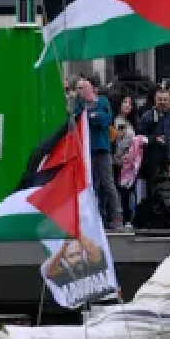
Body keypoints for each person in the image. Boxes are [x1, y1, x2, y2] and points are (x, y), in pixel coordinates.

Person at [71, 78, 123, 230]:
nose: (80, 91)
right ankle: (96, 217)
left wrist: (91, 115)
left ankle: (116, 215)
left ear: (91, 89)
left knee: (107, 183)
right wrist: (91, 116)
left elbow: (105, 120)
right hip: (85, 151)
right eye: (78, 88)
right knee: (91, 184)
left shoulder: (102, 101)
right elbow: (74, 121)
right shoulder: (79, 105)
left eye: (82, 88)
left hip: (101, 149)